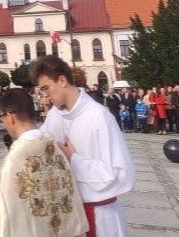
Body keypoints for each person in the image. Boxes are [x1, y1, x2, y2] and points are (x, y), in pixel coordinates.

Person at [32, 55, 135, 237]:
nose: (44, 96)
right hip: (67, 212)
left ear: (62, 80)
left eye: (46, 88)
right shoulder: (55, 115)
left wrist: (74, 159)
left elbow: (122, 175)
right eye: (41, 91)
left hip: (99, 215)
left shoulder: (99, 117)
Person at [0, 88, 87, 237]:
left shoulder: (14, 159)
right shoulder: (55, 149)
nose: (4, 123)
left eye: (2, 118)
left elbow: (8, 216)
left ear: (10, 117)